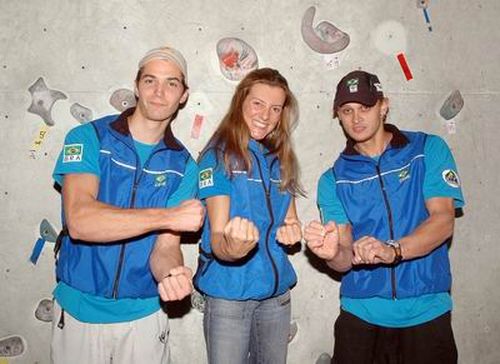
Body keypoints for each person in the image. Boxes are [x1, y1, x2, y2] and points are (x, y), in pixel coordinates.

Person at [50, 46, 205, 364]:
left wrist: (171, 275)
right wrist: (167, 215)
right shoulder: (88, 137)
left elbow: (164, 247)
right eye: (150, 81)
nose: (159, 93)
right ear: (136, 86)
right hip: (78, 311)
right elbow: (80, 221)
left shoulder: (185, 166)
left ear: (184, 94)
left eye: (171, 83)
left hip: (144, 316)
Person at [305, 70, 465, 364]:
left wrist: (394, 250)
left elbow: (443, 221)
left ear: (384, 105)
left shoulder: (428, 149)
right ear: (338, 116)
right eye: (347, 110)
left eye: (365, 107)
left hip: (427, 311)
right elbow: (342, 260)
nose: (356, 118)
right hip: (361, 315)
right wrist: (330, 254)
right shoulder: (332, 180)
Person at [194, 68, 304, 364]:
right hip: (229, 295)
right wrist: (233, 248)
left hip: (276, 298)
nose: (266, 115)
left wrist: (294, 231)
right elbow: (218, 238)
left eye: (275, 108)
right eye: (258, 103)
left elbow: (290, 221)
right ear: (240, 102)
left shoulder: (281, 160)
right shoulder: (217, 156)